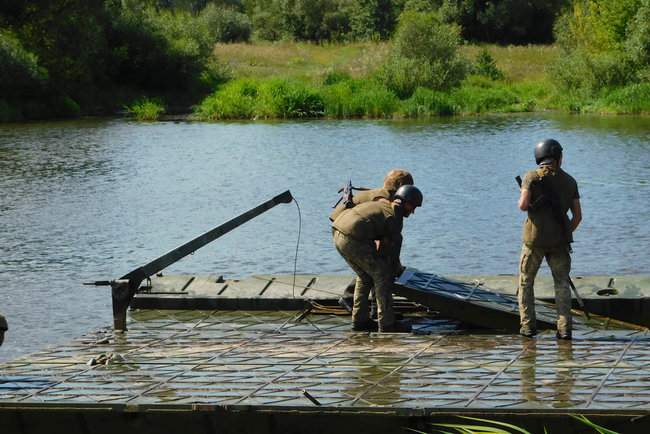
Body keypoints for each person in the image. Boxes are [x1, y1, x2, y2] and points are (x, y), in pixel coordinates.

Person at [332, 185, 423, 333]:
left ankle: (360, 321)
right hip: (354, 237)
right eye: (413, 207)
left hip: (338, 232)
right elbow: (389, 253)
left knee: (366, 276)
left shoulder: (385, 205)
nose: (413, 212)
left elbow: (382, 249)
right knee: (383, 275)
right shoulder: (394, 217)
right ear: (406, 202)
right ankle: (387, 324)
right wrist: (396, 270)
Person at [517, 139, 582, 340]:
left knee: (526, 283)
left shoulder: (531, 177)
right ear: (558, 158)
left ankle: (528, 328)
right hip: (559, 243)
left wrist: (523, 193)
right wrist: (563, 233)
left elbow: (522, 205)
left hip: (534, 241)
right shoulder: (570, 181)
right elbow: (578, 217)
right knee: (562, 284)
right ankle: (564, 330)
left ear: (539, 156)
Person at [330, 169, 414, 311]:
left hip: (346, 228)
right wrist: (395, 266)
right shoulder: (385, 199)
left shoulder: (384, 194)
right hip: (350, 231)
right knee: (377, 268)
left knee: (372, 267)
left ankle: (362, 304)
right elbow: (386, 241)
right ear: (401, 187)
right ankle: (362, 304)